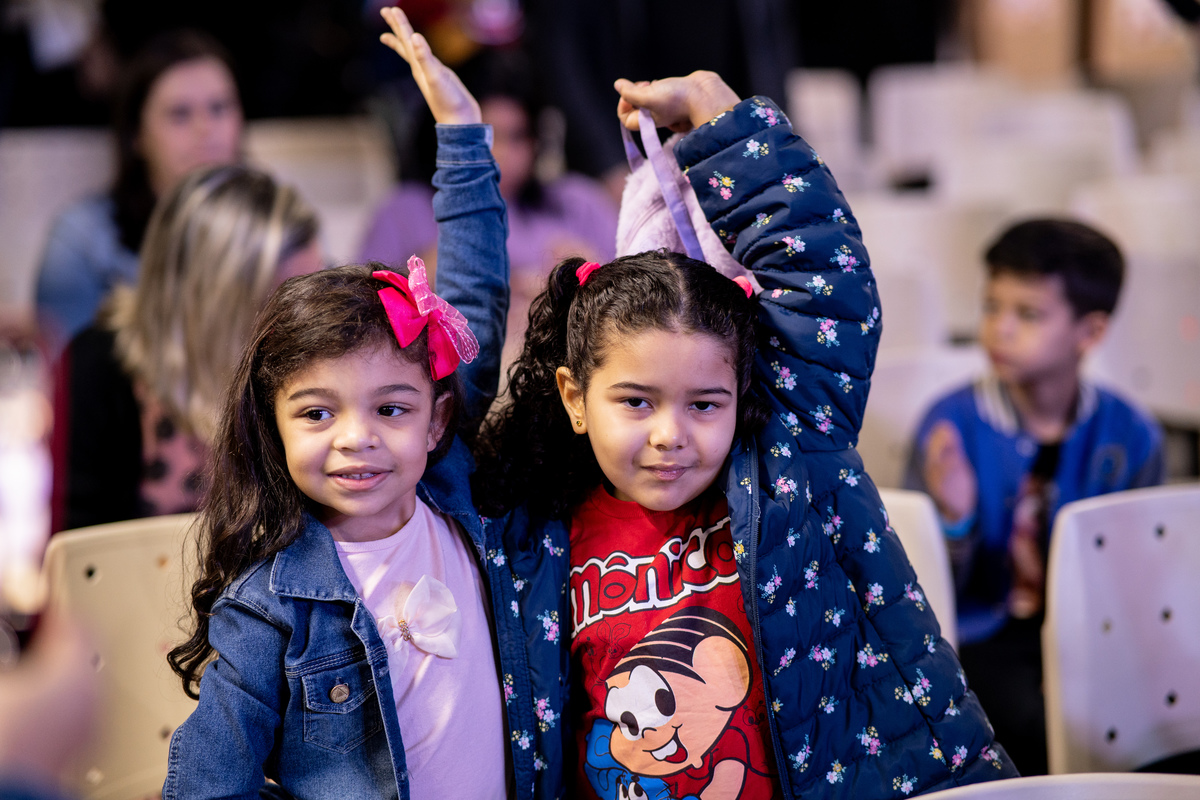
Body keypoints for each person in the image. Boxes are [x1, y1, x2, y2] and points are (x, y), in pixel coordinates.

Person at [468, 71, 1017, 798]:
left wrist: (724, 124)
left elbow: (826, 281)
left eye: (704, 404)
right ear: (575, 396)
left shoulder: (787, 460)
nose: (671, 435)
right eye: (635, 401)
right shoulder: (533, 528)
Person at [163, 9, 549, 798]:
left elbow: (473, 297)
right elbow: (207, 784)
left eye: (392, 410)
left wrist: (464, 133)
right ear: (270, 422)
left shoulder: (455, 492)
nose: (356, 440)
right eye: (316, 413)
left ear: (439, 418)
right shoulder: (268, 607)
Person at [905, 218, 1164, 775]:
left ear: (1090, 333)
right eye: (991, 307)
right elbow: (920, 585)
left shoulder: (1130, 434)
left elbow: (1139, 573)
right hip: (983, 631)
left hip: (1095, 629)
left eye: (1028, 314)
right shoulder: (949, 426)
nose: (999, 329)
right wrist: (954, 520)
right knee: (1022, 719)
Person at [51, 164, 321, 532]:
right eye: (276, 304)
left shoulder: (304, 370)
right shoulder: (100, 366)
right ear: (215, 300)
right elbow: (79, 551)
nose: (299, 325)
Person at [360, 47, 618, 379]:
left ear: (537, 141)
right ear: (445, 134)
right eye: (484, 135)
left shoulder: (577, 202)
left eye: (516, 136)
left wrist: (593, 280)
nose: (500, 155)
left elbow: (638, 313)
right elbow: (361, 316)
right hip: (447, 384)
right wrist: (432, 281)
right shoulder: (406, 209)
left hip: (563, 377)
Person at [34, 29, 243, 347]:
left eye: (219, 108)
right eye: (180, 114)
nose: (206, 129)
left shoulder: (280, 225)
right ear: (136, 136)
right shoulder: (81, 237)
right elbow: (66, 372)